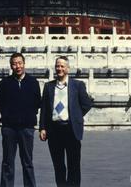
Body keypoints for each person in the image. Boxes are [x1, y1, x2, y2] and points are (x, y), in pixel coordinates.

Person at [39, 56, 92, 187]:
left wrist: (76, 116)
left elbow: (86, 104)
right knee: (58, 165)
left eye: (62, 66)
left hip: (71, 129)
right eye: (57, 66)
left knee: (73, 165)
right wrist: (42, 128)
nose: (60, 68)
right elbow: (44, 109)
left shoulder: (77, 85)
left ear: (68, 68)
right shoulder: (49, 86)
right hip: (54, 130)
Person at [0, 53, 41, 187]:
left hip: (26, 128)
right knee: (7, 162)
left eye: (20, 63)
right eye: (14, 63)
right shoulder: (4, 83)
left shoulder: (33, 82)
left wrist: (27, 117)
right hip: (9, 128)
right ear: (11, 65)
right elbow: (0, 103)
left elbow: (37, 103)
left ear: (24, 63)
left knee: (27, 162)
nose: (17, 66)